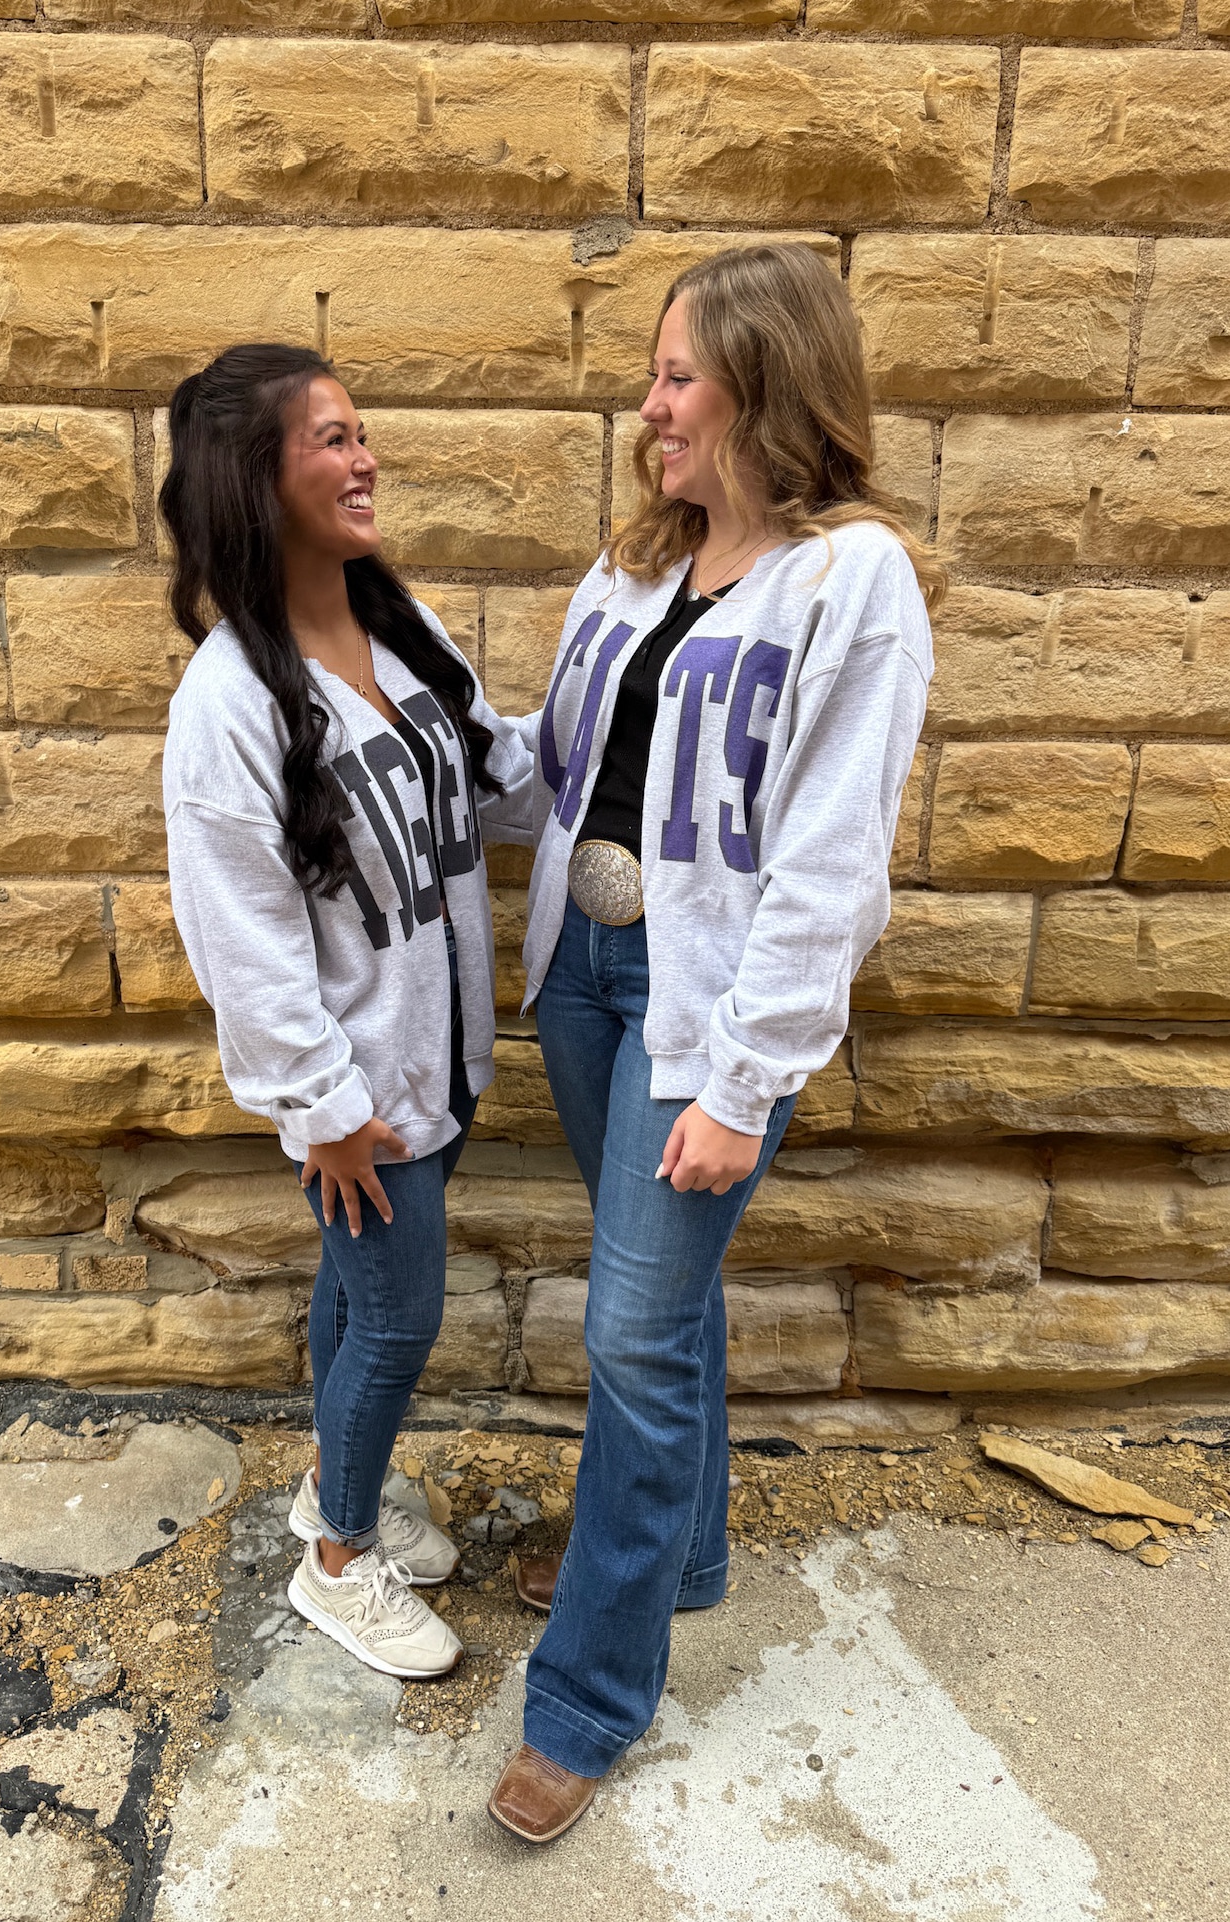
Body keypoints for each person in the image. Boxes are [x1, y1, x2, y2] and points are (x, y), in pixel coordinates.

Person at [488, 244, 944, 1841]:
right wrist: (376, 704)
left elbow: (831, 862)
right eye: (653, 376)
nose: (648, 407)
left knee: (627, 1326)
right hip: (587, 976)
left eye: (675, 374)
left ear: (763, 379)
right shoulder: (624, 573)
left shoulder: (849, 583)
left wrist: (745, 1080)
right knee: (657, 1311)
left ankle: (586, 1695)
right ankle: (675, 1556)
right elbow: (541, 773)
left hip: (703, 1012)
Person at [159, 344, 532, 1681]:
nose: (363, 456)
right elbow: (242, 940)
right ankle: (336, 1560)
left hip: (439, 1062)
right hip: (360, 1091)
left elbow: (495, 789)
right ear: (254, 479)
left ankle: (334, 1495)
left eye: (359, 431)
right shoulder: (230, 705)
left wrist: (613, 738)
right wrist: (319, 1107)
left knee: (352, 1294)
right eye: (329, 438)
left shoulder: (395, 629)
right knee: (394, 1316)